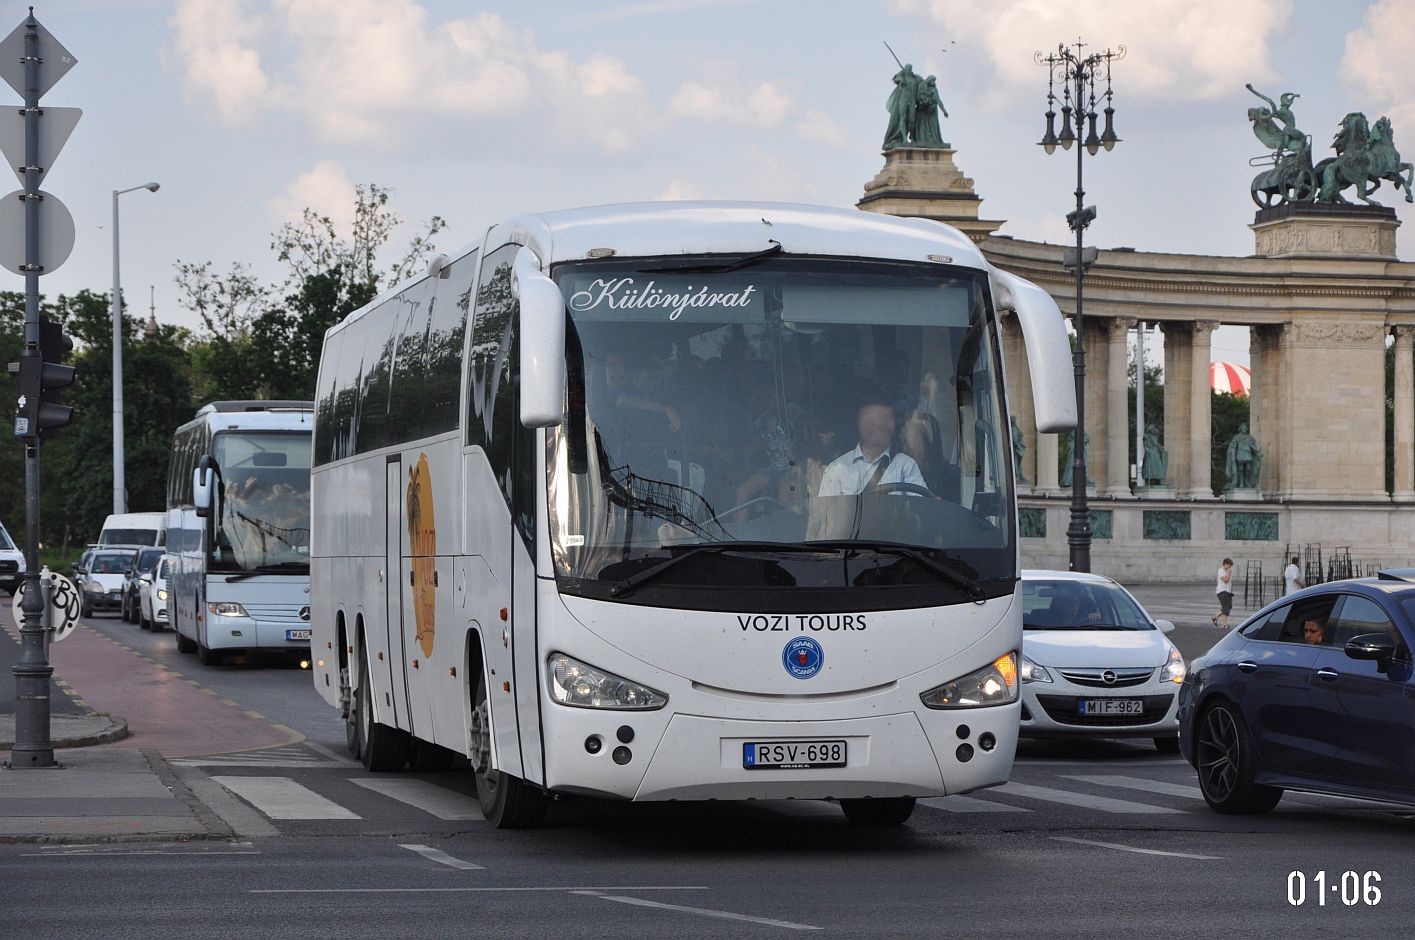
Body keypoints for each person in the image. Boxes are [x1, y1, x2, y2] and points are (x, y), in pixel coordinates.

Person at [817, 396, 927, 497]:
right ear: (861, 423)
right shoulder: (837, 469)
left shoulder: (905, 465)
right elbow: (826, 516)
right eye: (876, 419)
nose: (882, 424)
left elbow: (921, 509)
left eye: (888, 419)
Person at [1212, 557, 1235, 628]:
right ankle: (1224, 624)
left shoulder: (1225, 571)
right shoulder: (1221, 571)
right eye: (1229, 565)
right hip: (1222, 591)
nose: (1230, 567)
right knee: (1225, 608)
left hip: (1227, 592)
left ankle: (1216, 618)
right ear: (1226, 564)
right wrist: (1228, 573)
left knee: (1228, 607)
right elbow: (1225, 580)